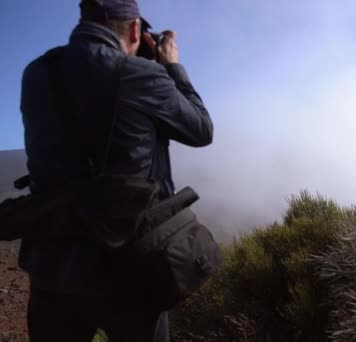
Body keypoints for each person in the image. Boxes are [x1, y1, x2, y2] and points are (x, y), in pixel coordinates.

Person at [19, 0, 213, 340]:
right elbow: (200, 130)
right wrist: (170, 67)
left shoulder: (37, 73)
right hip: (131, 270)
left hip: (52, 266)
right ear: (136, 28)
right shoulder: (143, 76)